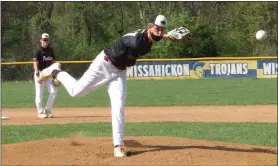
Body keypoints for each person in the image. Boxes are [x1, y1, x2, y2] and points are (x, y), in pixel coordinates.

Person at [38, 15, 176, 157]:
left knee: (119, 106)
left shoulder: (145, 35)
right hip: (104, 65)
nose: (159, 32)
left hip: (119, 72)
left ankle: (118, 146)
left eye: (162, 29)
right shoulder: (137, 43)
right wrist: (166, 36)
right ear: (149, 26)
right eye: (157, 28)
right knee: (75, 91)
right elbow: (131, 60)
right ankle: (54, 71)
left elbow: (154, 36)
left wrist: (167, 36)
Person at [33, 33, 57, 119]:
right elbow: (35, 62)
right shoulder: (38, 50)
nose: (45, 41)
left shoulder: (51, 50)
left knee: (53, 91)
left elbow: (53, 62)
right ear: (41, 40)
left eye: (47, 39)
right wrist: (37, 74)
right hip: (40, 73)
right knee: (39, 94)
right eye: (44, 39)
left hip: (49, 73)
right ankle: (40, 112)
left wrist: (55, 74)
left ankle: (47, 110)